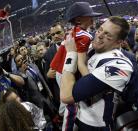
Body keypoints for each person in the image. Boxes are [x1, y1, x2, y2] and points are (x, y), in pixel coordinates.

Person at [60, 16, 133, 130]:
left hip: (95, 125)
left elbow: (66, 96)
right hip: (78, 114)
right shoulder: (93, 48)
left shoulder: (119, 65)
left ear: (119, 42)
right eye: (100, 29)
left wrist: (71, 54)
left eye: (108, 35)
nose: (99, 35)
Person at [50, 2, 103, 130]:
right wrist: (92, 85)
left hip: (63, 71)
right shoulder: (83, 36)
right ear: (79, 20)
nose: (92, 18)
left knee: (72, 105)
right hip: (67, 73)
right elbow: (81, 64)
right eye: (89, 16)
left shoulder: (74, 31)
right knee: (72, 105)